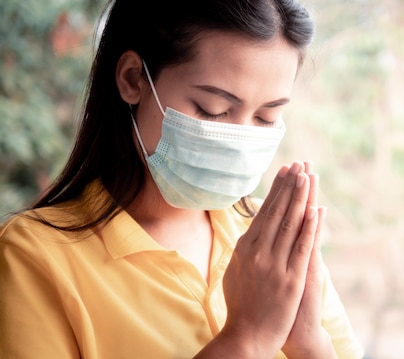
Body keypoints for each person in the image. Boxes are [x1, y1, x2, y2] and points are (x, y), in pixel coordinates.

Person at [0, 0, 364, 358]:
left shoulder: (274, 244)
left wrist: (309, 344)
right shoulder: (34, 256)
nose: (240, 140)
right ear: (132, 79)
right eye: (214, 109)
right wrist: (248, 337)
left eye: (266, 117)